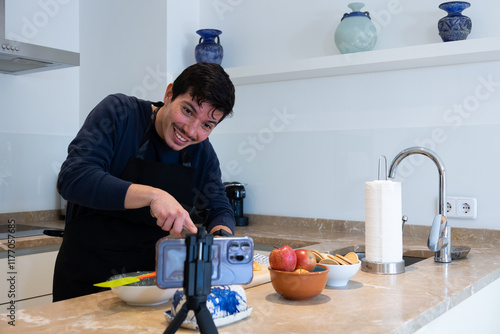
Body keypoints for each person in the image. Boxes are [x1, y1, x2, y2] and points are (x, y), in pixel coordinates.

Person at [53, 63, 236, 302]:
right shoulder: (120, 113)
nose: (191, 130)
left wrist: (220, 240)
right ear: (169, 94)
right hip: (86, 281)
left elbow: (218, 207)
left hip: (151, 288)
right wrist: (153, 196)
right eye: (188, 111)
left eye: (207, 125)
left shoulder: (201, 152)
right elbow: (73, 177)